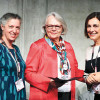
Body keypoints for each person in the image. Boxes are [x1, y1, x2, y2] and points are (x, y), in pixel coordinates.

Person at [25, 12, 84, 100]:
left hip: (67, 95)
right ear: (45, 28)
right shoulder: (37, 46)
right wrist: (48, 82)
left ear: (62, 28)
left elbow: (74, 71)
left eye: (57, 26)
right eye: (50, 26)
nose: (53, 29)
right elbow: (28, 73)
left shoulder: (68, 46)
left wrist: (87, 77)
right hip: (46, 95)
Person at [0, 13, 26, 100]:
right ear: (2, 27)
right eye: (11, 26)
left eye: (17, 27)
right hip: (4, 95)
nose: (14, 31)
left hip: (19, 95)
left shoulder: (16, 49)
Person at [84, 12, 100, 100]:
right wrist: (87, 79)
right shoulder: (89, 50)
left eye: (95, 26)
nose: (91, 29)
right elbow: (86, 73)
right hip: (94, 96)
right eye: (89, 26)